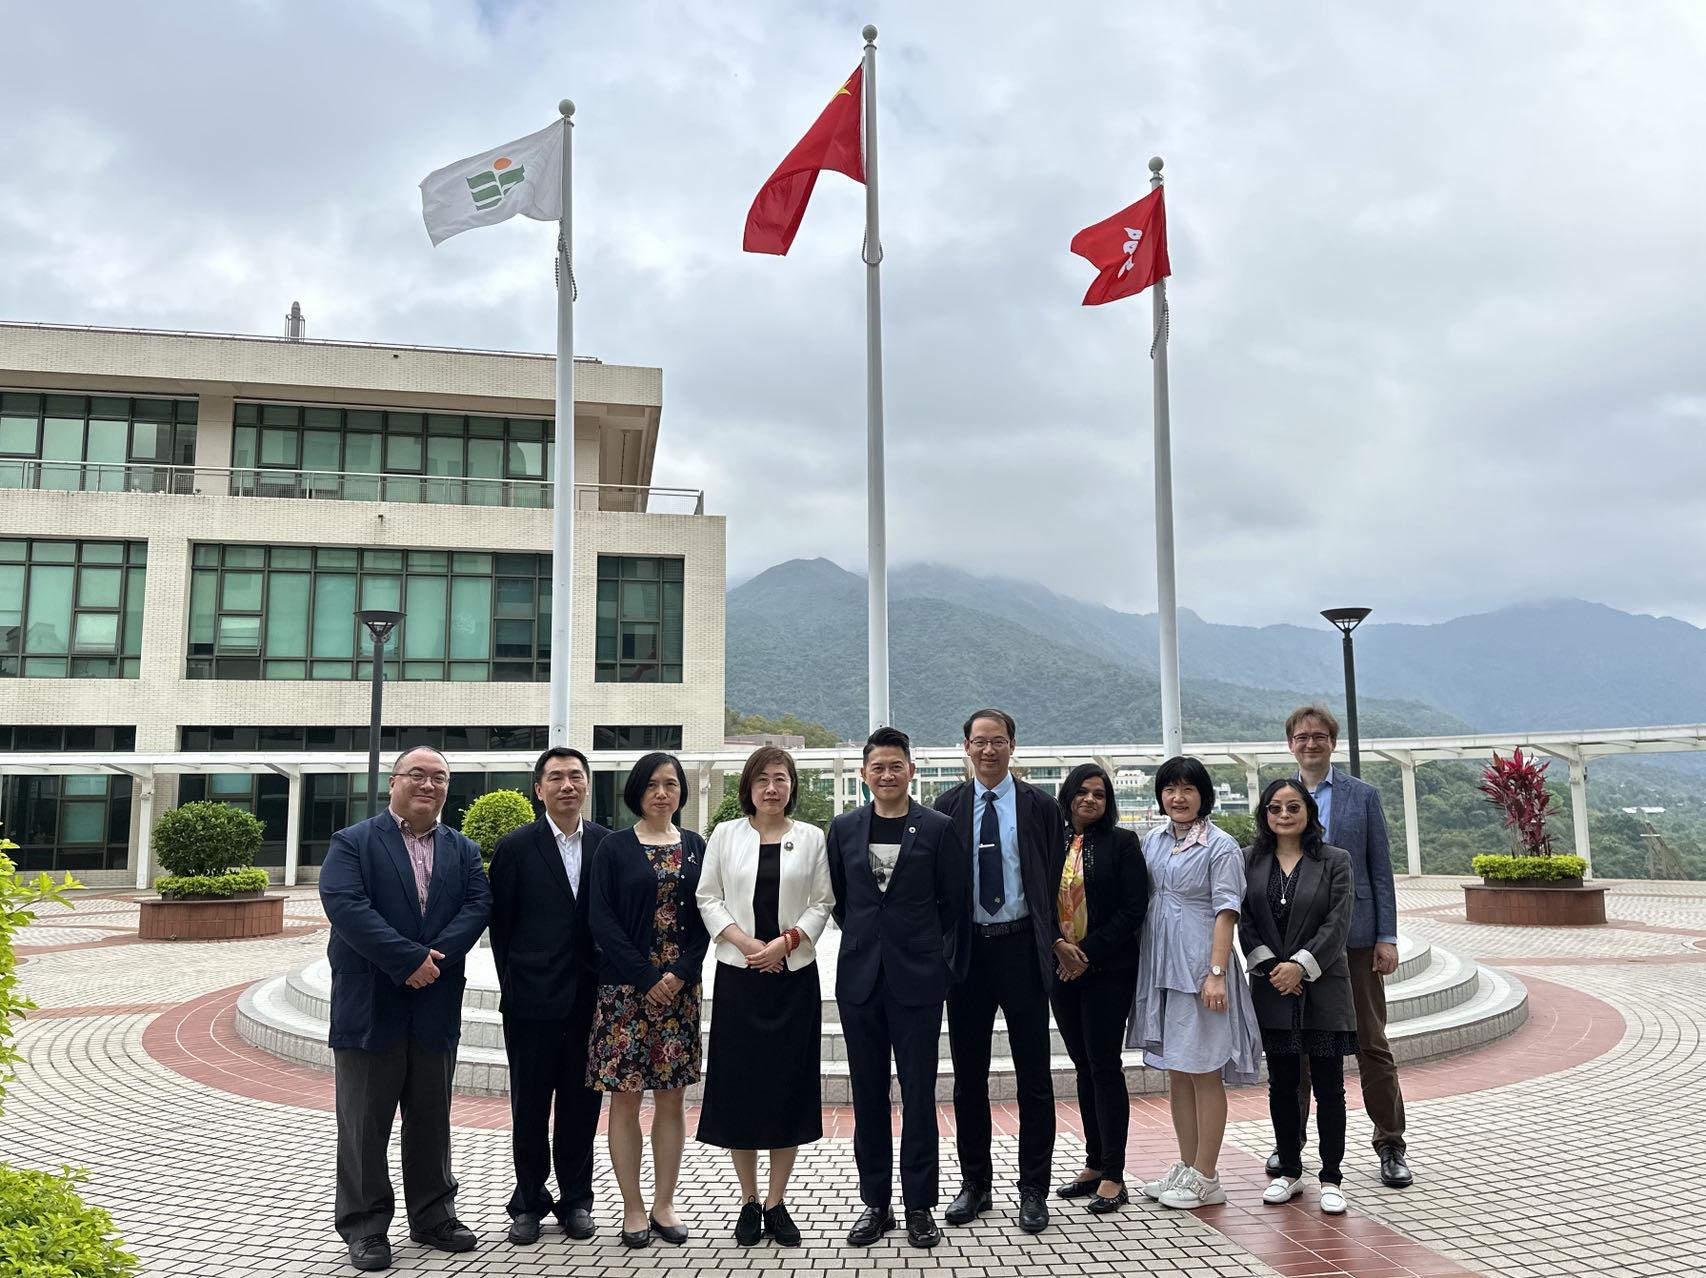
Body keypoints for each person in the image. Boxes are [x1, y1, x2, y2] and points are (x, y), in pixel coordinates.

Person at [318, 746, 492, 1273]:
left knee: (432, 1116)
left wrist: (432, 959)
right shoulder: (353, 842)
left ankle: (434, 1215)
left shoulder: (463, 849)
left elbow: (477, 905)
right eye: (417, 775)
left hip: (435, 999)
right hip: (372, 1000)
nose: (429, 785)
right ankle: (367, 1228)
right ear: (394, 782)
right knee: (364, 1121)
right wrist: (408, 958)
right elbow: (346, 905)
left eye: (439, 777)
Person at [826, 726, 969, 1250]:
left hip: (918, 980)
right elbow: (841, 900)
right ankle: (876, 1204)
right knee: (867, 1096)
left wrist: (921, 948)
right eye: (877, 767)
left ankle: (919, 1205)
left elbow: (951, 902)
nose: (887, 775)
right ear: (864, 775)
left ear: (912, 770)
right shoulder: (843, 828)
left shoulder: (937, 827)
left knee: (918, 1095)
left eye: (896, 766)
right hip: (861, 979)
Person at [694, 746, 833, 1248]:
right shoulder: (726, 834)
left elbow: (822, 902)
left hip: (793, 977)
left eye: (780, 778)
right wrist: (747, 942)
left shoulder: (812, 838)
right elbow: (707, 896)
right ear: (747, 789)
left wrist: (786, 942)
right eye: (762, 780)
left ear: (792, 785)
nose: (772, 788)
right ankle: (748, 1200)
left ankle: (777, 1203)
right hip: (740, 975)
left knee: (786, 1087)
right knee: (742, 1087)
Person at [933, 708, 1059, 1235]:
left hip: (1023, 950)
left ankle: (1033, 1189)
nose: (989, 750)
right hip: (968, 957)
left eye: (998, 741)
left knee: (1034, 1076)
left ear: (1013, 746)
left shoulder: (1040, 806)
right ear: (965, 746)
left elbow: (1056, 879)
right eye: (979, 741)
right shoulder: (946, 808)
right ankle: (975, 1184)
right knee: (968, 1079)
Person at [1278, 705, 1412, 1189]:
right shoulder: (1282, 797)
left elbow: (1381, 870)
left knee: (1372, 1043)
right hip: (1298, 945)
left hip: (1355, 941)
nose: (1310, 743)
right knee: (1301, 1048)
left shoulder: (1362, 796)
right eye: (1301, 736)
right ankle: (1289, 1144)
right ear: (1290, 743)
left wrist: (1386, 937)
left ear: (1331, 742)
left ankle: (1390, 1142)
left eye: (1318, 736)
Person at [586, 752, 709, 1249]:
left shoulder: (697, 847)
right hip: (624, 993)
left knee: (672, 1101)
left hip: (680, 993)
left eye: (671, 784)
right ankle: (632, 1208)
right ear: (636, 791)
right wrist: (645, 976)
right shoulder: (614, 848)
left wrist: (679, 974)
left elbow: (709, 914)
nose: (663, 793)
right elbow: (601, 919)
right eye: (653, 785)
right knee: (626, 1098)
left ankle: (664, 1203)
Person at [488, 746, 610, 1245]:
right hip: (531, 1003)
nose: (567, 785)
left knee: (583, 1109)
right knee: (530, 1108)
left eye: (575, 776)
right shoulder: (515, 847)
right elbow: (502, 929)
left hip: (591, 1002)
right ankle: (528, 1201)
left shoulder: (608, 843)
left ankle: (577, 1200)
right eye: (555, 777)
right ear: (538, 788)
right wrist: (514, 989)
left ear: (586, 785)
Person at [1129, 755, 1262, 1211]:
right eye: (1169, 789)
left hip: (1201, 970)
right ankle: (1187, 1165)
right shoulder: (1154, 841)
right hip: (1162, 967)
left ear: (1203, 795)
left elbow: (1227, 910)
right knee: (1179, 1072)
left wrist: (1217, 972)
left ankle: (1207, 1174)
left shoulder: (1220, 846)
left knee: (1205, 1071)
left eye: (1187, 789)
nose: (1178, 797)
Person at [1242, 779, 1358, 1214]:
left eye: (1293, 806)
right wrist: (1274, 969)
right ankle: (1289, 1170)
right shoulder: (1249, 860)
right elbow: (1245, 921)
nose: (1284, 814)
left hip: (1324, 986)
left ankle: (1331, 1177)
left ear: (1308, 811)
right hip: (1273, 989)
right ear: (1265, 814)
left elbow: (1338, 921)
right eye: (1275, 808)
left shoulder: (1335, 860)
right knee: (1283, 1085)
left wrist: (1301, 967)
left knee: (1330, 1088)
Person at [1048, 763, 1149, 1214]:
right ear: (1069, 795)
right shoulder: (1050, 843)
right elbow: (1035, 897)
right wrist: (1060, 950)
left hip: (1107, 969)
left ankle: (1114, 1173)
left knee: (1105, 1065)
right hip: (1060, 970)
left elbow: (1133, 909)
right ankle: (1092, 1162)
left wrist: (1084, 954)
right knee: (1082, 1064)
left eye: (1100, 794)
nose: (1091, 799)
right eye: (1083, 792)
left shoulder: (1123, 844)